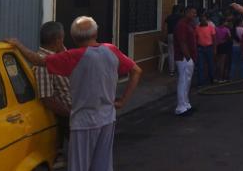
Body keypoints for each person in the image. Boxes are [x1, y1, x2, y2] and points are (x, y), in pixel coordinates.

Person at [7, 16, 142, 171]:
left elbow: (38, 60)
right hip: (108, 118)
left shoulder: (73, 57)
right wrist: (123, 101)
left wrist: (18, 45)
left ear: (73, 38)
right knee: (102, 165)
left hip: (84, 122)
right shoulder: (110, 49)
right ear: (96, 33)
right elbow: (137, 71)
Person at [35, 21, 72, 164]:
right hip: (67, 115)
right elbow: (47, 99)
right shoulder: (43, 63)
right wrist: (71, 114)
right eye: (62, 38)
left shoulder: (57, 56)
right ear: (57, 40)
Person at [173, 5, 198, 116]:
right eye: (193, 13)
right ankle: (181, 107)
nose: (194, 15)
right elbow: (182, 42)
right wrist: (188, 57)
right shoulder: (181, 25)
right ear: (187, 13)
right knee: (183, 82)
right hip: (183, 58)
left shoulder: (188, 25)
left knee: (187, 82)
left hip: (188, 58)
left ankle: (186, 104)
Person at [195, 13, 217, 86]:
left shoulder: (211, 27)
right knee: (200, 65)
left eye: (204, 19)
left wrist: (214, 49)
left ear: (206, 20)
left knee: (211, 64)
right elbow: (195, 38)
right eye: (201, 19)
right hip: (200, 48)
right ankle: (200, 82)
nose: (203, 21)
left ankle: (212, 78)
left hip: (209, 47)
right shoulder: (197, 27)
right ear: (200, 20)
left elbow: (214, 38)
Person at [164, 5, 183, 76]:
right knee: (179, 52)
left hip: (170, 35)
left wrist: (165, 37)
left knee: (171, 53)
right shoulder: (181, 17)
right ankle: (179, 68)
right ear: (178, 10)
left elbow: (165, 28)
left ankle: (171, 70)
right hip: (178, 35)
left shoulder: (169, 17)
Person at [215, 17, 232, 83]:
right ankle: (221, 78)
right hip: (224, 46)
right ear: (224, 22)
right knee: (223, 63)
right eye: (226, 21)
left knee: (217, 62)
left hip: (217, 45)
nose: (227, 23)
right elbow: (229, 38)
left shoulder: (215, 28)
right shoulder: (226, 29)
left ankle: (216, 77)